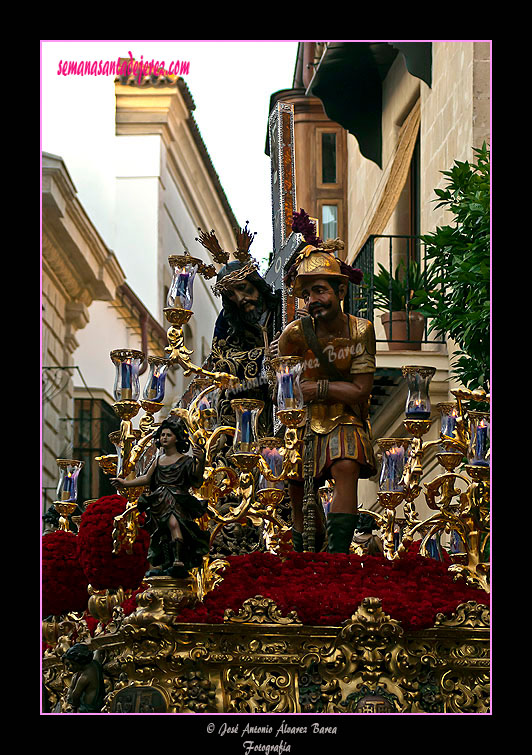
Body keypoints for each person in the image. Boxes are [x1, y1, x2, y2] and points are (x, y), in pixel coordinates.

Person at [278, 243, 377, 554]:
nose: (312, 300)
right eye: (307, 294)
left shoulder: (361, 330)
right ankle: (306, 554)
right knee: (296, 488)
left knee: (346, 463)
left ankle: (337, 557)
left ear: (341, 289)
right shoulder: (293, 335)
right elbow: (284, 392)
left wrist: (318, 388)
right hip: (304, 421)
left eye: (319, 290)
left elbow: (361, 390)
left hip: (346, 416)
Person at [110, 416, 209, 577]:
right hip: (159, 501)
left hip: (176, 498)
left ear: (177, 438)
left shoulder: (186, 460)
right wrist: (125, 483)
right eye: (162, 435)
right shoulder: (158, 460)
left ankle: (179, 561)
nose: (164, 438)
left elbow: (196, 480)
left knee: (174, 525)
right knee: (162, 533)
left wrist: (201, 461)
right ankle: (167, 563)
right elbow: (147, 479)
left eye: (168, 435)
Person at [63, 644, 106, 713]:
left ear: (78, 662)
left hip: (86, 709)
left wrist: (73, 683)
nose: (69, 668)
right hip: (98, 704)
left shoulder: (84, 677)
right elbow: (97, 652)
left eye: (72, 664)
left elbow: (75, 696)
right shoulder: (95, 663)